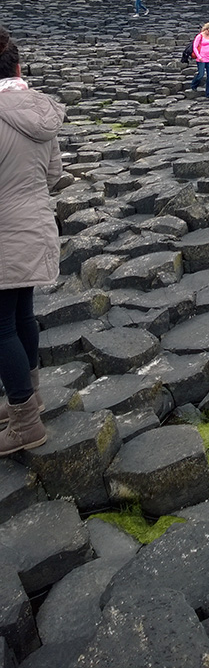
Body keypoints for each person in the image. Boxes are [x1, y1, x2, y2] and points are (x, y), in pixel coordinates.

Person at [0, 29, 64, 455]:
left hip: (4, 230)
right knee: (22, 315)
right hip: (35, 226)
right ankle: (31, 396)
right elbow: (54, 175)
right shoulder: (41, 111)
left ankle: (24, 420)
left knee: (0, 328)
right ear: (18, 68)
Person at [190, 23, 209, 99]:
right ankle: (194, 85)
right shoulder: (199, 36)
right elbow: (195, 47)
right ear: (205, 29)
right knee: (201, 74)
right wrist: (199, 56)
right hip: (201, 59)